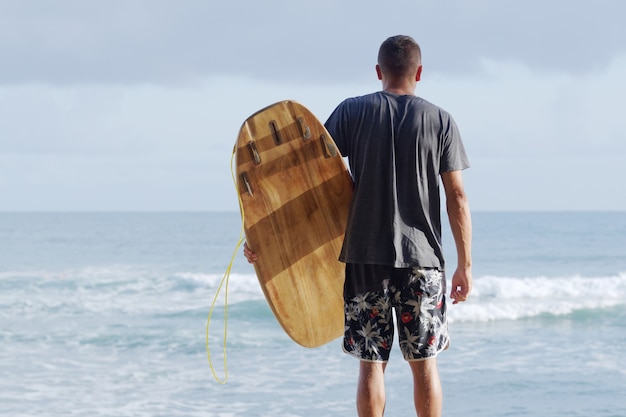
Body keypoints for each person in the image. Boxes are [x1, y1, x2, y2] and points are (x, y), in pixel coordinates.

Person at [244, 35, 472, 417]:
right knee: (425, 363)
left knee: (371, 363)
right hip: (424, 260)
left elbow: (307, 179)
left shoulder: (352, 112)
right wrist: (465, 264)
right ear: (419, 72)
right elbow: (458, 198)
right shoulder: (441, 120)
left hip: (366, 259)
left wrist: (263, 237)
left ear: (379, 72)